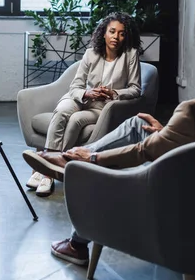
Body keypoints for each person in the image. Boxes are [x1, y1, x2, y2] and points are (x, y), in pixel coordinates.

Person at [22, 39, 195, 264]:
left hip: (176, 192)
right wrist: (166, 131)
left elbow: (143, 152)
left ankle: (77, 242)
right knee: (138, 123)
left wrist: (93, 158)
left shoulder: (192, 110)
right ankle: (72, 156)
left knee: (99, 174)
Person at [25, 12, 142, 197]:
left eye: (121, 33)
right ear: (104, 33)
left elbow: (136, 89)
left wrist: (115, 93)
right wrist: (86, 92)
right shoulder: (91, 54)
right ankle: (47, 169)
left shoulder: (130, 55)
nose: (116, 37)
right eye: (112, 31)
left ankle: (46, 171)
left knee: (76, 120)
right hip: (81, 98)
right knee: (62, 111)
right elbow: (76, 86)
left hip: (102, 107)